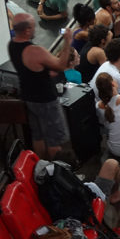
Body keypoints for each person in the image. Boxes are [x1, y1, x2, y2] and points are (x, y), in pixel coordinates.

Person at [8, 13, 72, 158]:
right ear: (27, 31)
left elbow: (31, 69)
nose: (35, 28)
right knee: (53, 140)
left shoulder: (12, 45)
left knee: (38, 136)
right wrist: (67, 42)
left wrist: (44, 71)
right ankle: (57, 173)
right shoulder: (35, 51)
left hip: (29, 98)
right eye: (33, 26)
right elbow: (61, 65)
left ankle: (41, 168)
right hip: (46, 101)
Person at [53, 150, 120, 204]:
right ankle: (115, 194)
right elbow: (101, 201)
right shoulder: (88, 186)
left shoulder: (50, 183)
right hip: (89, 207)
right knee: (111, 163)